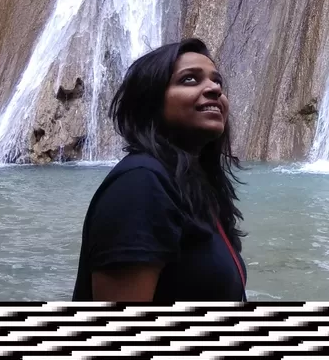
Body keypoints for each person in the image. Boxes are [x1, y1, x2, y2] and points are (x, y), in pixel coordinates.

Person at [72, 38, 247, 302]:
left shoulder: (193, 187)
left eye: (217, 81)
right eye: (190, 80)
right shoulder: (141, 183)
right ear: (150, 102)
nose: (214, 89)